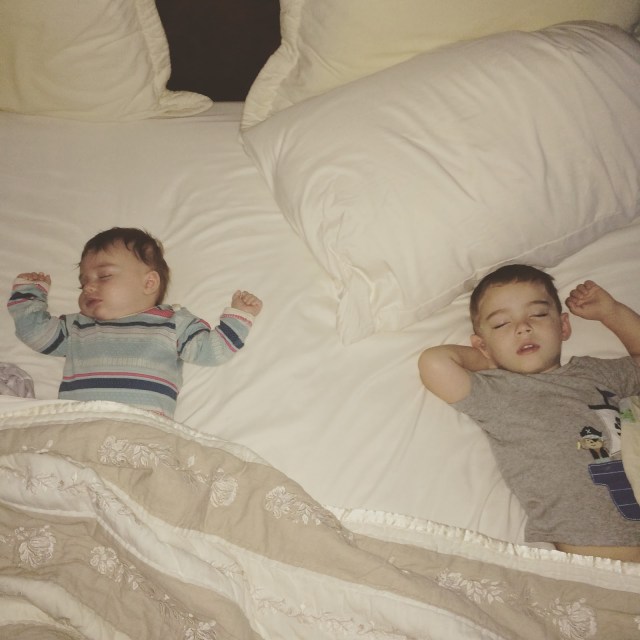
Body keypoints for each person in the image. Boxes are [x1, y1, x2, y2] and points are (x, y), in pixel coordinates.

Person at [418, 264, 640, 562]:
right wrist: (490, 358)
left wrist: (611, 312)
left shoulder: (595, 372)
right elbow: (435, 363)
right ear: (481, 344)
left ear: (563, 327)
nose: (523, 328)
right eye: (501, 325)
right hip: (599, 559)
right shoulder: (498, 392)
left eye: (537, 314)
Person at [7, 227, 263, 418]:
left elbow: (211, 352)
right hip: (80, 425)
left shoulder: (173, 322)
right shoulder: (78, 326)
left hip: (142, 430)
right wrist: (30, 294)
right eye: (83, 283)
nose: (89, 287)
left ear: (149, 283)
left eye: (104, 276)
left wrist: (238, 317)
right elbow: (35, 333)